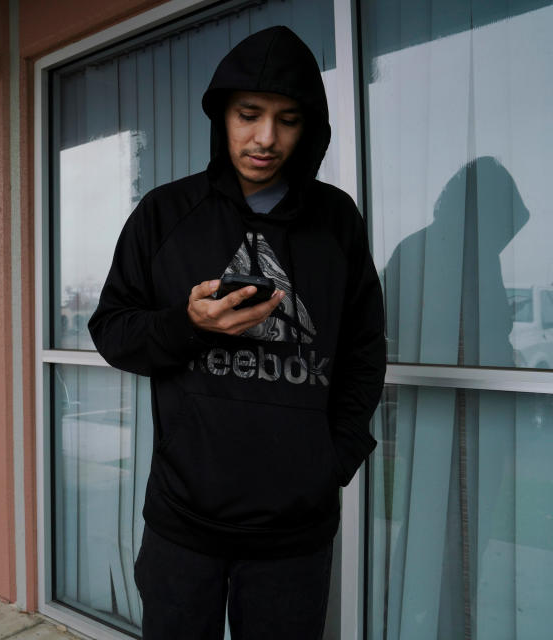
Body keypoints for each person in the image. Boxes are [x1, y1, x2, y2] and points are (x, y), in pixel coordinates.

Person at [88, 26, 386, 639]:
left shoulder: (336, 222)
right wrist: (186, 323)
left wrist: (334, 458)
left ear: (309, 129)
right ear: (222, 114)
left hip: (295, 528)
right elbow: (112, 332)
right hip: (182, 517)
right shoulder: (164, 214)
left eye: (288, 119)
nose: (266, 138)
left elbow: (364, 349)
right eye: (249, 114)